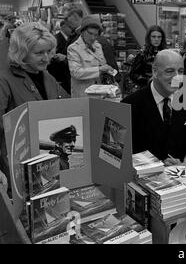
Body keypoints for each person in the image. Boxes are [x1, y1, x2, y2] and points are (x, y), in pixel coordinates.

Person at [0, 23, 69, 194]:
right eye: (38, 53)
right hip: (18, 165)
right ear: (21, 53)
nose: (46, 58)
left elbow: (66, 104)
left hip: (47, 159)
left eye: (48, 52)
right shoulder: (4, 80)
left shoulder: (45, 75)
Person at [121, 50, 186, 165]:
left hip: (182, 174)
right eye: (169, 71)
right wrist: (156, 165)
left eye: (180, 71)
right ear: (155, 71)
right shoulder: (129, 105)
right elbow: (122, 150)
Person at [67, 17, 116, 98]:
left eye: (96, 35)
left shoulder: (98, 46)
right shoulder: (73, 48)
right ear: (82, 32)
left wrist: (109, 71)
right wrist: (99, 69)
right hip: (82, 95)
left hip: (99, 94)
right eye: (90, 33)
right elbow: (76, 72)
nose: (93, 38)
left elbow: (102, 64)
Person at [47, 20, 72, 94]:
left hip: (66, 75)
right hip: (58, 75)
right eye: (69, 27)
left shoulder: (70, 38)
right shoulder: (56, 39)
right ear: (63, 26)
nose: (71, 29)